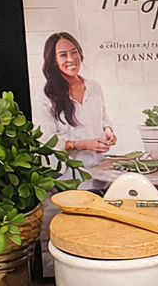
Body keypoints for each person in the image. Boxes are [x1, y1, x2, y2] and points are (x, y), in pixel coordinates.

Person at [35, 31, 116, 190]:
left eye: (74, 52)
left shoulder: (94, 86)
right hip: (69, 176)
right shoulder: (44, 97)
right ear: (54, 61)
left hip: (99, 169)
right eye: (63, 55)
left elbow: (104, 119)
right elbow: (47, 142)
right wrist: (84, 144)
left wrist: (108, 132)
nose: (71, 59)